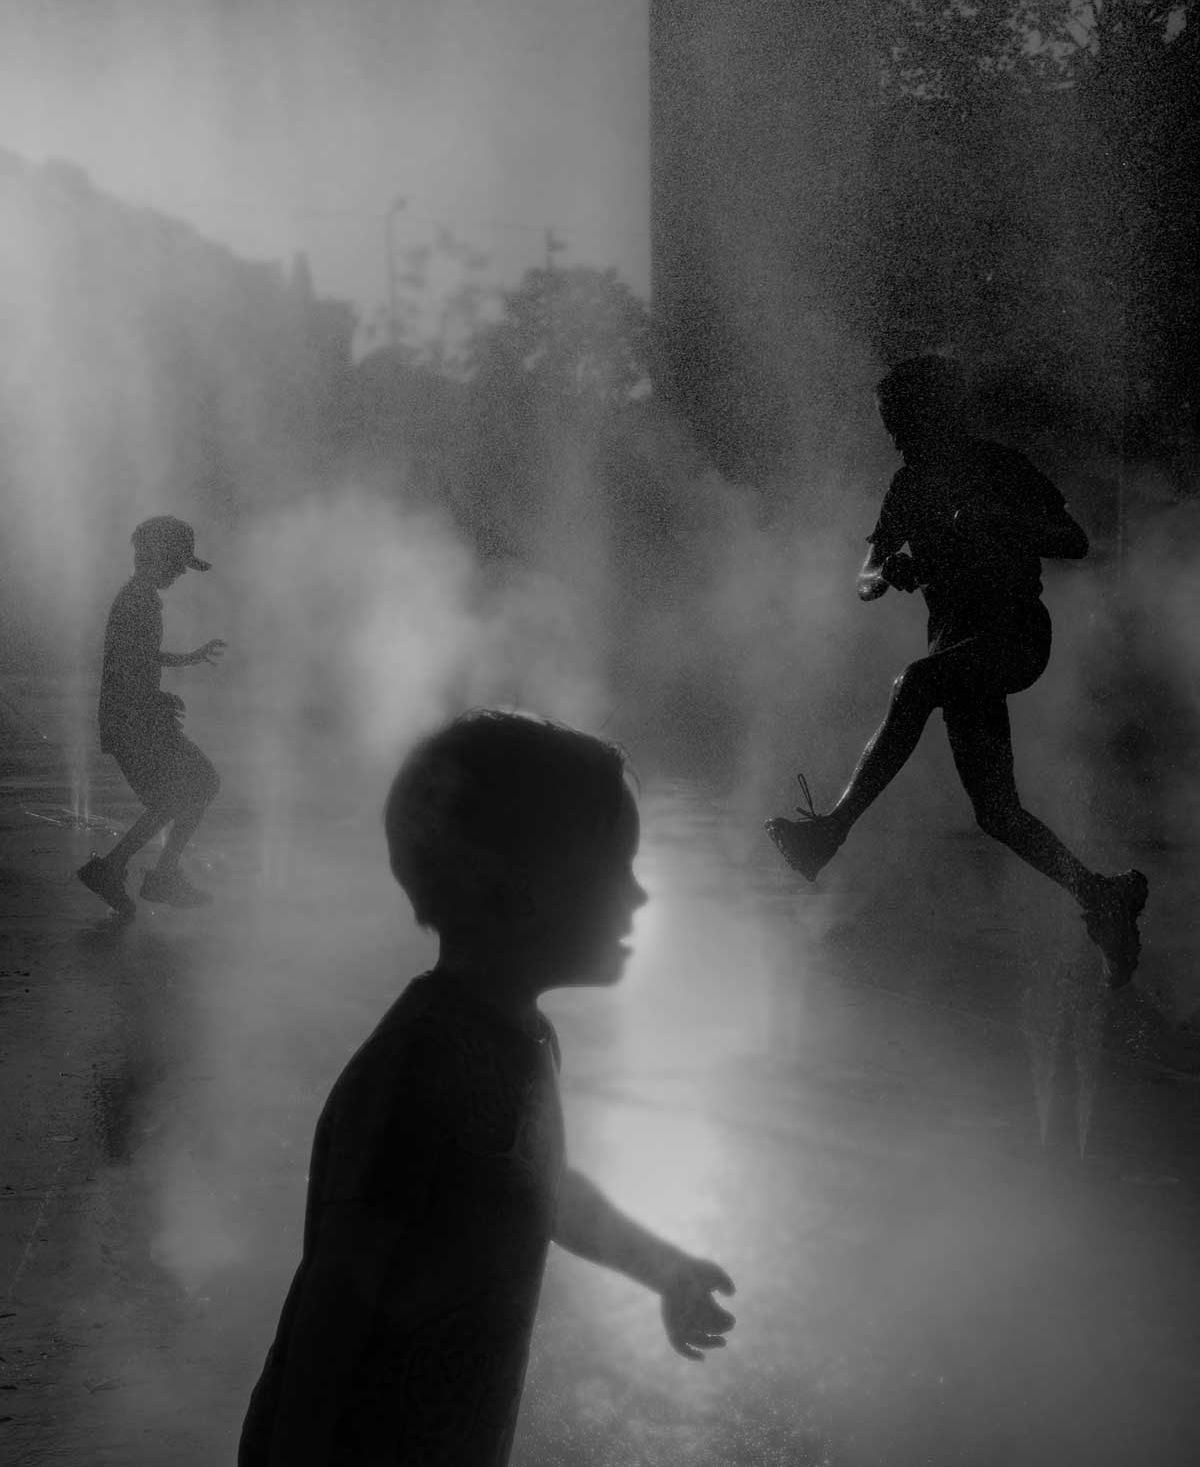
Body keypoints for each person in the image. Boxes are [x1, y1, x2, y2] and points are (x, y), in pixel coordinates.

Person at [238, 710, 736, 1467]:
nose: (639, 897)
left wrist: (661, 1267)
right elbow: (330, 1317)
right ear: (521, 893)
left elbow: (546, 1187)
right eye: (616, 869)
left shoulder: (524, 1040)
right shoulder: (418, 1071)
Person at [766, 355, 1148, 988]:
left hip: (1013, 636)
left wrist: (1004, 523)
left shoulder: (1001, 468)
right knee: (997, 813)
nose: (894, 437)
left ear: (937, 413)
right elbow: (864, 578)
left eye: (901, 422)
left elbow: (1075, 540)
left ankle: (830, 832)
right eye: (888, 426)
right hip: (955, 647)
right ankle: (1104, 896)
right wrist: (892, 571)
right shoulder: (907, 485)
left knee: (916, 683)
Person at [76, 515, 225, 916]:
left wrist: (186, 660)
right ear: (157, 555)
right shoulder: (137, 600)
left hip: (133, 715)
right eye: (177, 561)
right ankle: (151, 875)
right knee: (194, 787)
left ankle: (123, 870)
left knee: (184, 792)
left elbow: (137, 654)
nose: (180, 570)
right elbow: (126, 661)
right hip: (134, 718)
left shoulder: (138, 597)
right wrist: (154, 699)